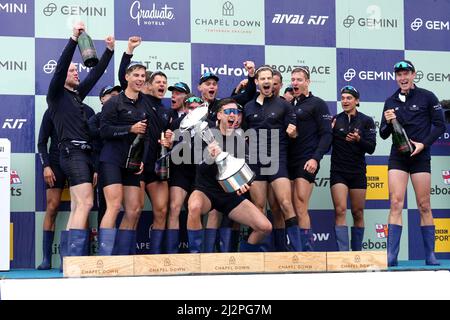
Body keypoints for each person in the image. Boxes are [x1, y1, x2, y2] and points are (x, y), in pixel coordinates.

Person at [46, 21, 115, 261]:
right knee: (85, 203)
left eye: (77, 70)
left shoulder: (76, 96)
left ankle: (69, 262)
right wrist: (73, 40)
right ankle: (74, 261)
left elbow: (94, 75)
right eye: (72, 71)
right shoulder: (55, 94)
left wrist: (108, 52)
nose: (76, 72)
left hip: (83, 155)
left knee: (78, 206)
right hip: (71, 153)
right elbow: (61, 68)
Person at [380, 60, 446, 266]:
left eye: (406, 73)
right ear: (396, 78)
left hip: (420, 156)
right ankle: (392, 256)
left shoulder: (427, 96)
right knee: (396, 203)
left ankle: (430, 255)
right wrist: (389, 121)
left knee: (424, 205)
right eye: (399, 75)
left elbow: (439, 124)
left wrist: (423, 145)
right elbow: (383, 134)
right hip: (398, 157)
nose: (403, 78)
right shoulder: (390, 101)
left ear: (414, 74)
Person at [187, 99, 272, 252]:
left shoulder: (240, 141)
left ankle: (245, 259)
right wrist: (210, 157)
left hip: (228, 194)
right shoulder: (204, 136)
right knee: (194, 207)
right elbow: (200, 169)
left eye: (236, 112)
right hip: (205, 191)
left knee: (265, 227)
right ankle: (196, 257)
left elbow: (246, 170)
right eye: (228, 111)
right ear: (219, 115)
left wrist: (242, 184)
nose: (233, 115)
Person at [98, 62, 161, 255]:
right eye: (136, 75)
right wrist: (129, 129)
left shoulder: (146, 104)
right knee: (114, 206)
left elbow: (148, 136)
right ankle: (105, 258)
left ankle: (121, 256)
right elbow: (104, 131)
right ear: (126, 77)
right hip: (112, 161)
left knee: (133, 210)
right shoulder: (113, 102)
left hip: (133, 163)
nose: (140, 79)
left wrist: (141, 159)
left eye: (143, 76)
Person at [243, 66, 302, 251]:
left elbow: (294, 133)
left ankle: (296, 252)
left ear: (273, 82)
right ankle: (261, 254)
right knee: (258, 208)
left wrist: (293, 133)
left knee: (285, 204)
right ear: (257, 82)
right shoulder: (248, 107)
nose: (266, 81)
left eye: (269, 78)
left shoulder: (284, 104)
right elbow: (243, 134)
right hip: (255, 162)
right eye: (263, 78)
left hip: (277, 160)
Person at [289, 66, 333, 251]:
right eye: (293, 79)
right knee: (289, 207)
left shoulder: (318, 103)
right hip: (288, 161)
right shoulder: (289, 105)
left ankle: (307, 252)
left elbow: (327, 134)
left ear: (308, 82)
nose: (295, 83)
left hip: (306, 160)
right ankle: (294, 250)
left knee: (300, 205)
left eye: (299, 79)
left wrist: (316, 158)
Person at [331, 86, 376, 251]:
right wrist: (329, 132)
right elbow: (327, 144)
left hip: (357, 172)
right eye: (342, 98)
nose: (345, 101)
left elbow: (371, 148)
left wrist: (358, 139)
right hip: (338, 172)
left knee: (357, 212)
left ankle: (356, 255)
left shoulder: (366, 120)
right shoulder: (335, 119)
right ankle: (343, 255)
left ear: (357, 101)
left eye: (349, 98)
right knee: (340, 210)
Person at [165, 95, 206, 253]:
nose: (193, 111)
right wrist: (168, 143)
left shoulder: (209, 126)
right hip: (180, 171)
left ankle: (197, 254)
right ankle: (171, 255)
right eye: (190, 108)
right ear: (185, 109)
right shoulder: (176, 124)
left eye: (196, 108)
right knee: (174, 208)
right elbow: (168, 147)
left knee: (196, 210)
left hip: (200, 173)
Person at [36, 109, 68, 269]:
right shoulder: (51, 112)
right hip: (55, 163)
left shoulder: (85, 110)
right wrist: (46, 166)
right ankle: (46, 259)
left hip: (78, 162)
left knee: (81, 207)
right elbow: (41, 142)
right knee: (52, 207)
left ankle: (71, 260)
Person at [88, 85, 122, 230]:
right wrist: (95, 169)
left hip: (123, 165)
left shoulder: (124, 117)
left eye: (117, 94)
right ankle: (105, 248)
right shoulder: (94, 119)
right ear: (102, 99)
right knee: (105, 206)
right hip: (102, 166)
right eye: (110, 94)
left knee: (128, 208)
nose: (115, 96)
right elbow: (94, 141)